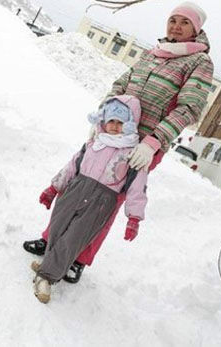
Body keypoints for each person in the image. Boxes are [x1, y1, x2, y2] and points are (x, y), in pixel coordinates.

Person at [23, 2, 214, 282]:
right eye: (172, 19)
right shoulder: (154, 53)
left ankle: (79, 257)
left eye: (184, 22)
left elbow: (189, 108)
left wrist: (152, 142)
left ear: (196, 29)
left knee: (104, 202)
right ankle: (51, 239)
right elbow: (119, 86)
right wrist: (102, 119)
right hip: (111, 131)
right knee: (76, 185)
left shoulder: (199, 62)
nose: (176, 26)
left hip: (142, 145)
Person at [31, 95, 148, 303]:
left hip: (101, 201)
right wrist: (53, 188)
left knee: (73, 238)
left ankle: (46, 278)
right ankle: (51, 263)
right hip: (75, 190)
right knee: (58, 229)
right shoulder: (94, 143)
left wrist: (134, 218)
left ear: (129, 124)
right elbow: (72, 166)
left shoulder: (133, 153)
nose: (114, 126)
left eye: (120, 123)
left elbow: (138, 187)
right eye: (111, 120)